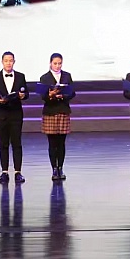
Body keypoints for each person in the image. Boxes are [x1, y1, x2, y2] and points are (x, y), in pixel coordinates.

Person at [0, 51, 28, 183]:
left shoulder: (20, 76)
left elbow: (26, 93)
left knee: (17, 143)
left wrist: (23, 96)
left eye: (11, 61)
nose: (8, 63)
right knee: (3, 143)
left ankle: (18, 172)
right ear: (2, 62)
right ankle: (4, 172)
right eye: (6, 61)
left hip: (16, 114)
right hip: (1, 115)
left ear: (14, 62)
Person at [38, 53, 76, 181]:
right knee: (52, 142)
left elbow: (72, 93)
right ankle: (54, 168)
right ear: (50, 63)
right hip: (50, 111)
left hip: (63, 111)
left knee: (61, 142)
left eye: (59, 63)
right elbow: (42, 96)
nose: (57, 66)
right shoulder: (45, 78)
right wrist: (51, 95)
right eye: (55, 63)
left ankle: (60, 167)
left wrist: (63, 96)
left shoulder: (67, 76)